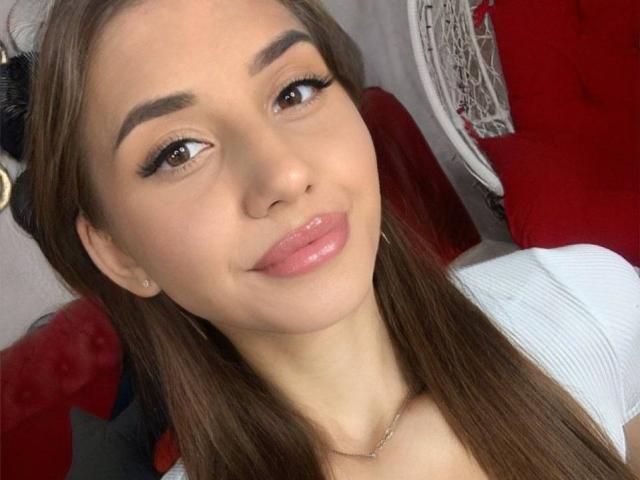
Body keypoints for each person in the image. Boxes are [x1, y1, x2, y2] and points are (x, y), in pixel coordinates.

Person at [13, 0, 639, 478]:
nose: (283, 175)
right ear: (117, 252)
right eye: (179, 151)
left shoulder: (583, 300)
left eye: (295, 91)